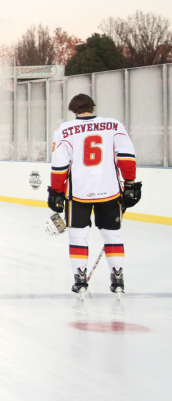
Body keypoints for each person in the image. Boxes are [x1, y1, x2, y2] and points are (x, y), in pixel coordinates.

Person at [48, 94, 139, 299]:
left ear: (73, 109)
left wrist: (56, 191)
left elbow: (60, 166)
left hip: (78, 193)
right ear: (92, 106)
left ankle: (80, 278)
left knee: (78, 236)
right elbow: (126, 157)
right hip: (110, 191)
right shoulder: (114, 125)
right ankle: (117, 278)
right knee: (112, 235)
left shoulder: (64, 129)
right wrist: (130, 184)